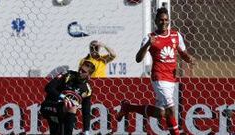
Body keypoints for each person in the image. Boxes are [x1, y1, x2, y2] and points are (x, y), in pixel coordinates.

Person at [116, 7, 195, 135]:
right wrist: (148, 45)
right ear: (156, 21)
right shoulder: (150, 37)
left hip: (171, 78)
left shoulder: (176, 35)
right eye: (161, 20)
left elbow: (183, 53)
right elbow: (138, 59)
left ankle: (128, 107)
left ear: (169, 21)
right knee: (171, 108)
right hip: (159, 77)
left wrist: (189, 58)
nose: (164, 22)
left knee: (161, 113)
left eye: (166, 20)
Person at [40, 60, 95, 135]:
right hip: (49, 106)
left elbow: (86, 112)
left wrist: (86, 131)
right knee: (71, 106)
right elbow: (48, 88)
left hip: (64, 114)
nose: (80, 72)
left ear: (89, 75)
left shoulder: (87, 90)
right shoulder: (68, 75)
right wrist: (63, 97)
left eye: (83, 71)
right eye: (80, 69)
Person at [78, 40, 116, 135]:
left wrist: (104, 45)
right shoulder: (84, 60)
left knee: (104, 108)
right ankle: (89, 129)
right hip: (89, 86)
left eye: (97, 47)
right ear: (89, 48)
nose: (94, 49)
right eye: (92, 47)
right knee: (90, 109)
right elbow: (81, 74)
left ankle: (106, 129)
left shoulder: (103, 59)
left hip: (102, 87)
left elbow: (113, 54)